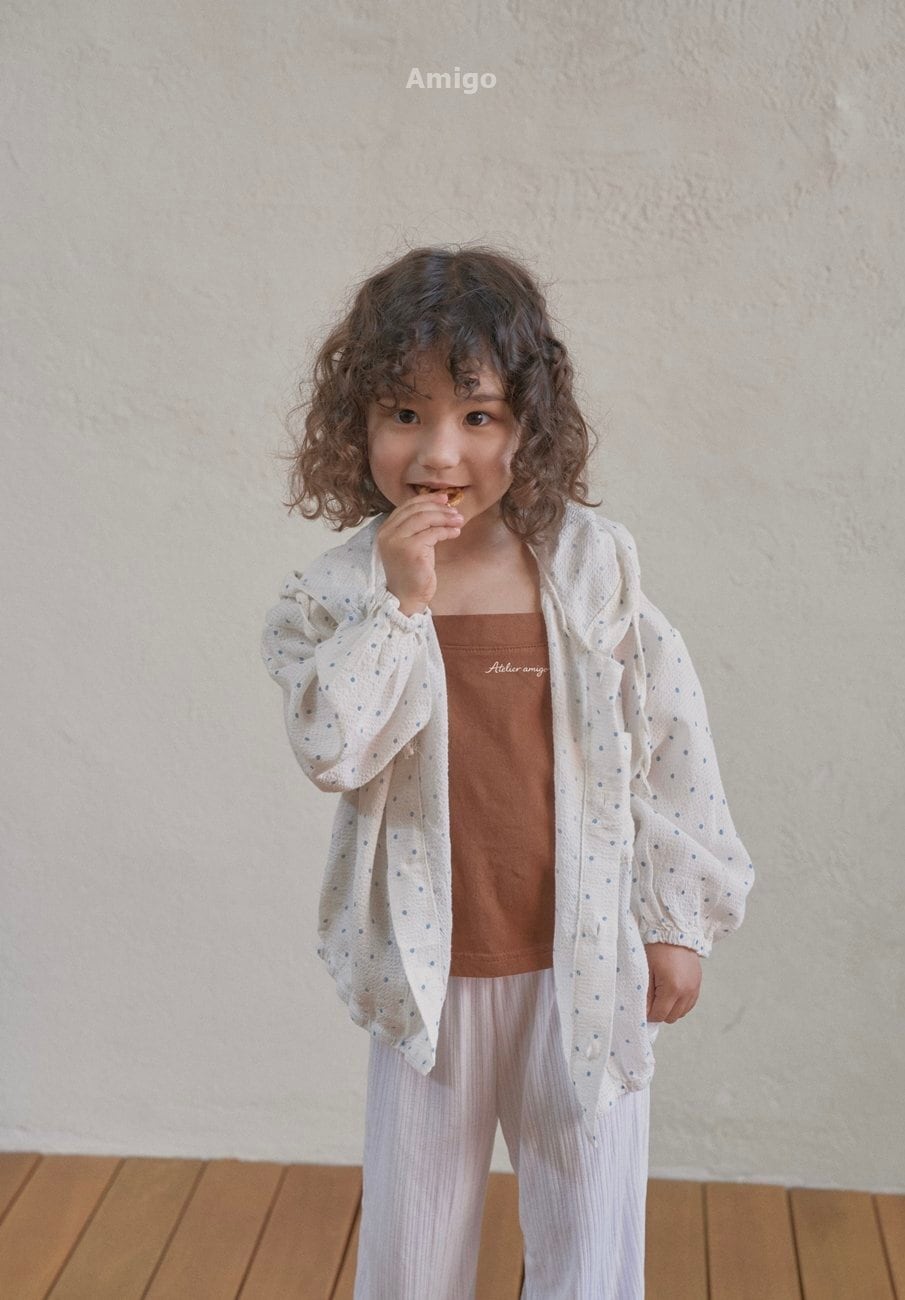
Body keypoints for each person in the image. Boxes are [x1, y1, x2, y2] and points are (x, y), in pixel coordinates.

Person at [260, 244, 756, 1300]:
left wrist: (675, 920)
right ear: (356, 423)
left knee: (590, 1233)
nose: (439, 452)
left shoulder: (588, 566)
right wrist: (402, 603)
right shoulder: (337, 592)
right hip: (425, 974)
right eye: (404, 412)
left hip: (583, 962)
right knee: (413, 1237)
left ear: (528, 425)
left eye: (477, 415)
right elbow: (331, 747)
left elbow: (667, 739)